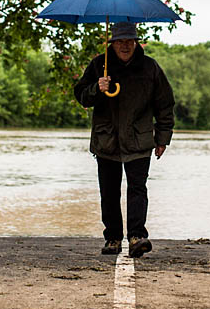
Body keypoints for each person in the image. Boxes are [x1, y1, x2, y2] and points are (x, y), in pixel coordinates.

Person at [74, 22, 175, 258]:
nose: (125, 46)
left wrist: (162, 138)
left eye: (129, 41)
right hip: (106, 140)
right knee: (109, 191)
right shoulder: (99, 64)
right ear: (112, 43)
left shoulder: (150, 67)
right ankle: (113, 238)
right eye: (120, 41)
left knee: (137, 189)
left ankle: (137, 236)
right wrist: (97, 88)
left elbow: (165, 105)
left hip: (139, 141)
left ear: (136, 42)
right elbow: (81, 96)